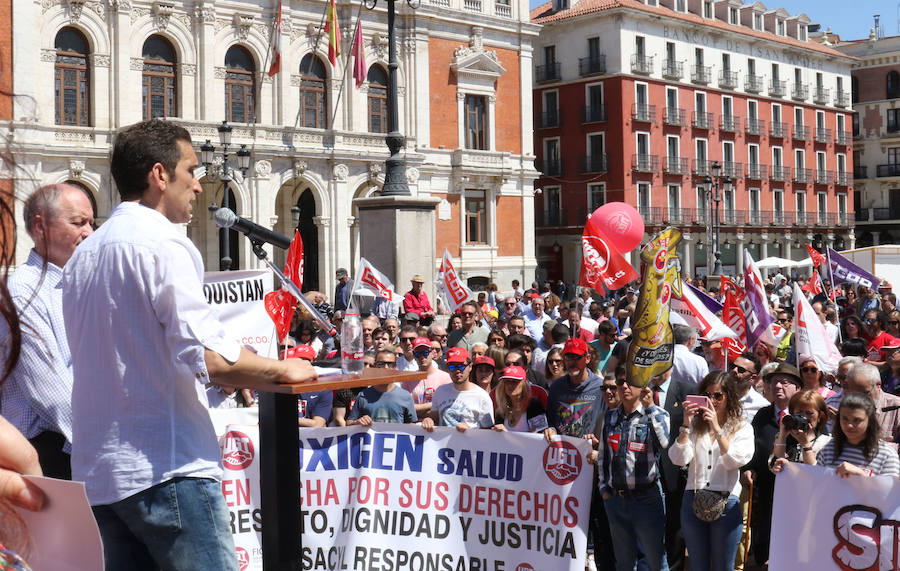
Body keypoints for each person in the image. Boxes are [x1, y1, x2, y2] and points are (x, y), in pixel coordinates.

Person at [60, 120, 316, 570]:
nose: (199, 186)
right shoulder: (162, 243)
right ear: (160, 175)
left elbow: (133, 356)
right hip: (167, 469)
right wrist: (281, 369)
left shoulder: (84, 254)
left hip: (101, 478)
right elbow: (208, 356)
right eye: (191, 171)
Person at [2, 184, 94, 480]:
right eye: (78, 222)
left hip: (82, 442)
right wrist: (103, 446)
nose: (89, 232)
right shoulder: (21, 293)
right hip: (49, 450)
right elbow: (52, 393)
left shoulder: (84, 285)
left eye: (92, 222)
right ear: (41, 226)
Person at [669, 371, 754, 571]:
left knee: (723, 566)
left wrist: (717, 428)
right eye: (707, 395)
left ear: (729, 397)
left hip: (726, 501)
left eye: (718, 396)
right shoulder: (694, 426)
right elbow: (678, 458)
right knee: (698, 566)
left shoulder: (742, 427)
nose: (712, 401)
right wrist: (685, 424)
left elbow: (735, 460)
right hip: (693, 498)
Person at [590, 371, 670, 571]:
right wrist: (603, 488)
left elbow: (665, 443)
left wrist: (650, 406)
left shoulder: (656, 413)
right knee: (624, 563)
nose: (624, 386)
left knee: (656, 561)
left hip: (647, 498)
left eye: (629, 382)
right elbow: (602, 456)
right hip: (616, 499)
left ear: (642, 386)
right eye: (620, 382)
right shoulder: (609, 417)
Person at [746, 363, 803, 565]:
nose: (778, 386)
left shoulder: (804, 416)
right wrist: (749, 468)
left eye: (785, 383)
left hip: (796, 493)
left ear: (798, 388)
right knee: (764, 543)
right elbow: (753, 446)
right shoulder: (762, 415)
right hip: (766, 491)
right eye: (775, 381)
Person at [811, 393, 900, 477]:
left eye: (857, 420)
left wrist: (861, 475)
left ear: (869, 421)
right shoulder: (828, 449)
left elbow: (890, 491)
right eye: (845, 419)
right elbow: (819, 485)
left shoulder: (887, 455)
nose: (849, 425)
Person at [424, 348, 494, 432]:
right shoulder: (440, 391)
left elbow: (488, 433)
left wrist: (470, 430)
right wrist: (428, 421)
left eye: (461, 366)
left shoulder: (482, 396)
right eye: (452, 367)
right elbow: (435, 419)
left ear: (470, 367)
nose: (457, 371)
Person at [547, 338, 605, 438]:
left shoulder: (601, 388)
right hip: (561, 450)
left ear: (587, 358)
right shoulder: (556, 387)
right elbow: (550, 421)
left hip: (589, 450)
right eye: (568, 357)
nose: (571, 362)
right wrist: (550, 430)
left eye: (577, 357)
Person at [768, 390, 832, 473]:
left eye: (809, 413)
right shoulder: (782, 437)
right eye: (799, 413)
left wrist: (805, 444)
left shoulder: (827, 443)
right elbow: (773, 467)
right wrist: (782, 437)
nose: (804, 417)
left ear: (819, 416)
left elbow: (817, 473)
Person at [347, 350, 417, 425]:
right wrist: (357, 422)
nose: (386, 367)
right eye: (381, 364)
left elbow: (412, 426)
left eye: (390, 364)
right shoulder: (363, 396)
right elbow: (349, 422)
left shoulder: (405, 396)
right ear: (374, 366)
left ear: (395, 367)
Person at [491, 366, 554, 440]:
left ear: (524, 384)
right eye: (507, 381)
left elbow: (540, 438)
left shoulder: (534, 406)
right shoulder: (501, 411)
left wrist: (507, 435)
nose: (510, 385)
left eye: (515, 381)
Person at [401, 337, 452, 419]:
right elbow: (406, 407)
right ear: (413, 356)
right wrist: (433, 405)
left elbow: (446, 407)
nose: (422, 357)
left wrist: (419, 411)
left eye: (425, 353)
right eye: (418, 354)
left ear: (432, 353)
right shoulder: (408, 380)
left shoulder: (445, 378)